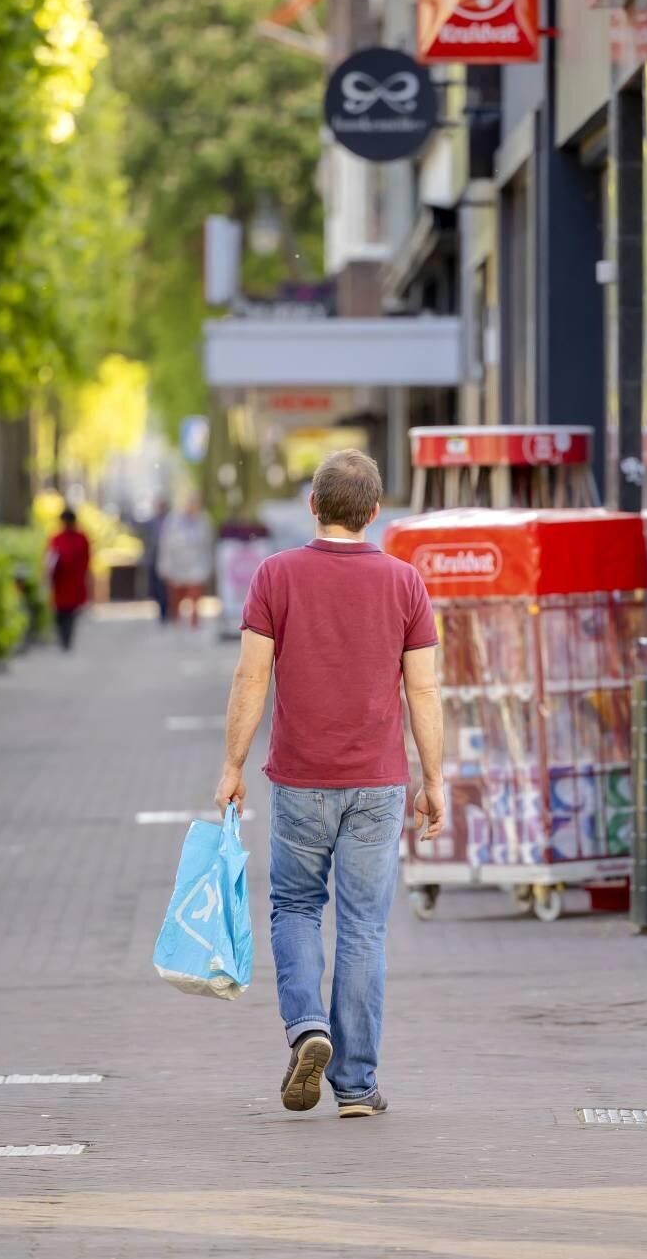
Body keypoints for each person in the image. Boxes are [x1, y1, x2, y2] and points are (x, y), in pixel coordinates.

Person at [213, 450, 445, 1120]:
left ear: (313, 505)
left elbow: (251, 676)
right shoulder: (405, 583)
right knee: (364, 926)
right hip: (378, 783)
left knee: (294, 907)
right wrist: (434, 779)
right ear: (376, 511)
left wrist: (232, 765)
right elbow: (423, 690)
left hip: (299, 779)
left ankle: (307, 1026)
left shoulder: (276, 575)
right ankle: (356, 1086)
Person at [156, 496, 214, 628]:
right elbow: (165, 544)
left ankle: (194, 622)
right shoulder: (173, 519)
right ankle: (175, 621)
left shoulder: (204, 519)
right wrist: (164, 566)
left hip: (197, 566)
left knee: (195, 594)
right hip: (177, 566)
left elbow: (208, 545)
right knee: (176, 597)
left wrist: (209, 566)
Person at [46, 508, 94, 651]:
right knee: (60, 613)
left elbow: (87, 560)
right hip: (60, 582)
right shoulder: (57, 538)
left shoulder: (81, 538)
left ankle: (67, 638)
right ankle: (63, 637)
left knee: (71, 613)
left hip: (74, 582)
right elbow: (50, 559)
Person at [142, 496, 172, 624]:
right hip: (153, 558)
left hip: (168, 559)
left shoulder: (171, 521)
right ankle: (161, 610)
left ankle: (167, 612)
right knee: (155, 586)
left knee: (164, 587)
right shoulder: (152, 521)